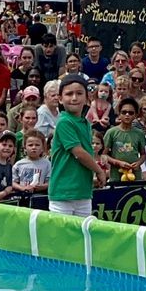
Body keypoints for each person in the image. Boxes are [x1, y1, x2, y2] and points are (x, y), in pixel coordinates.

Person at [48, 74, 104, 216]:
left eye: (79, 93)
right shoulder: (64, 121)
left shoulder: (85, 123)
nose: (74, 98)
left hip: (83, 192)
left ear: (87, 97)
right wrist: (99, 170)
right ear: (60, 98)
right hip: (63, 192)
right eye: (69, 94)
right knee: (62, 237)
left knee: (82, 236)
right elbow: (79, 153)